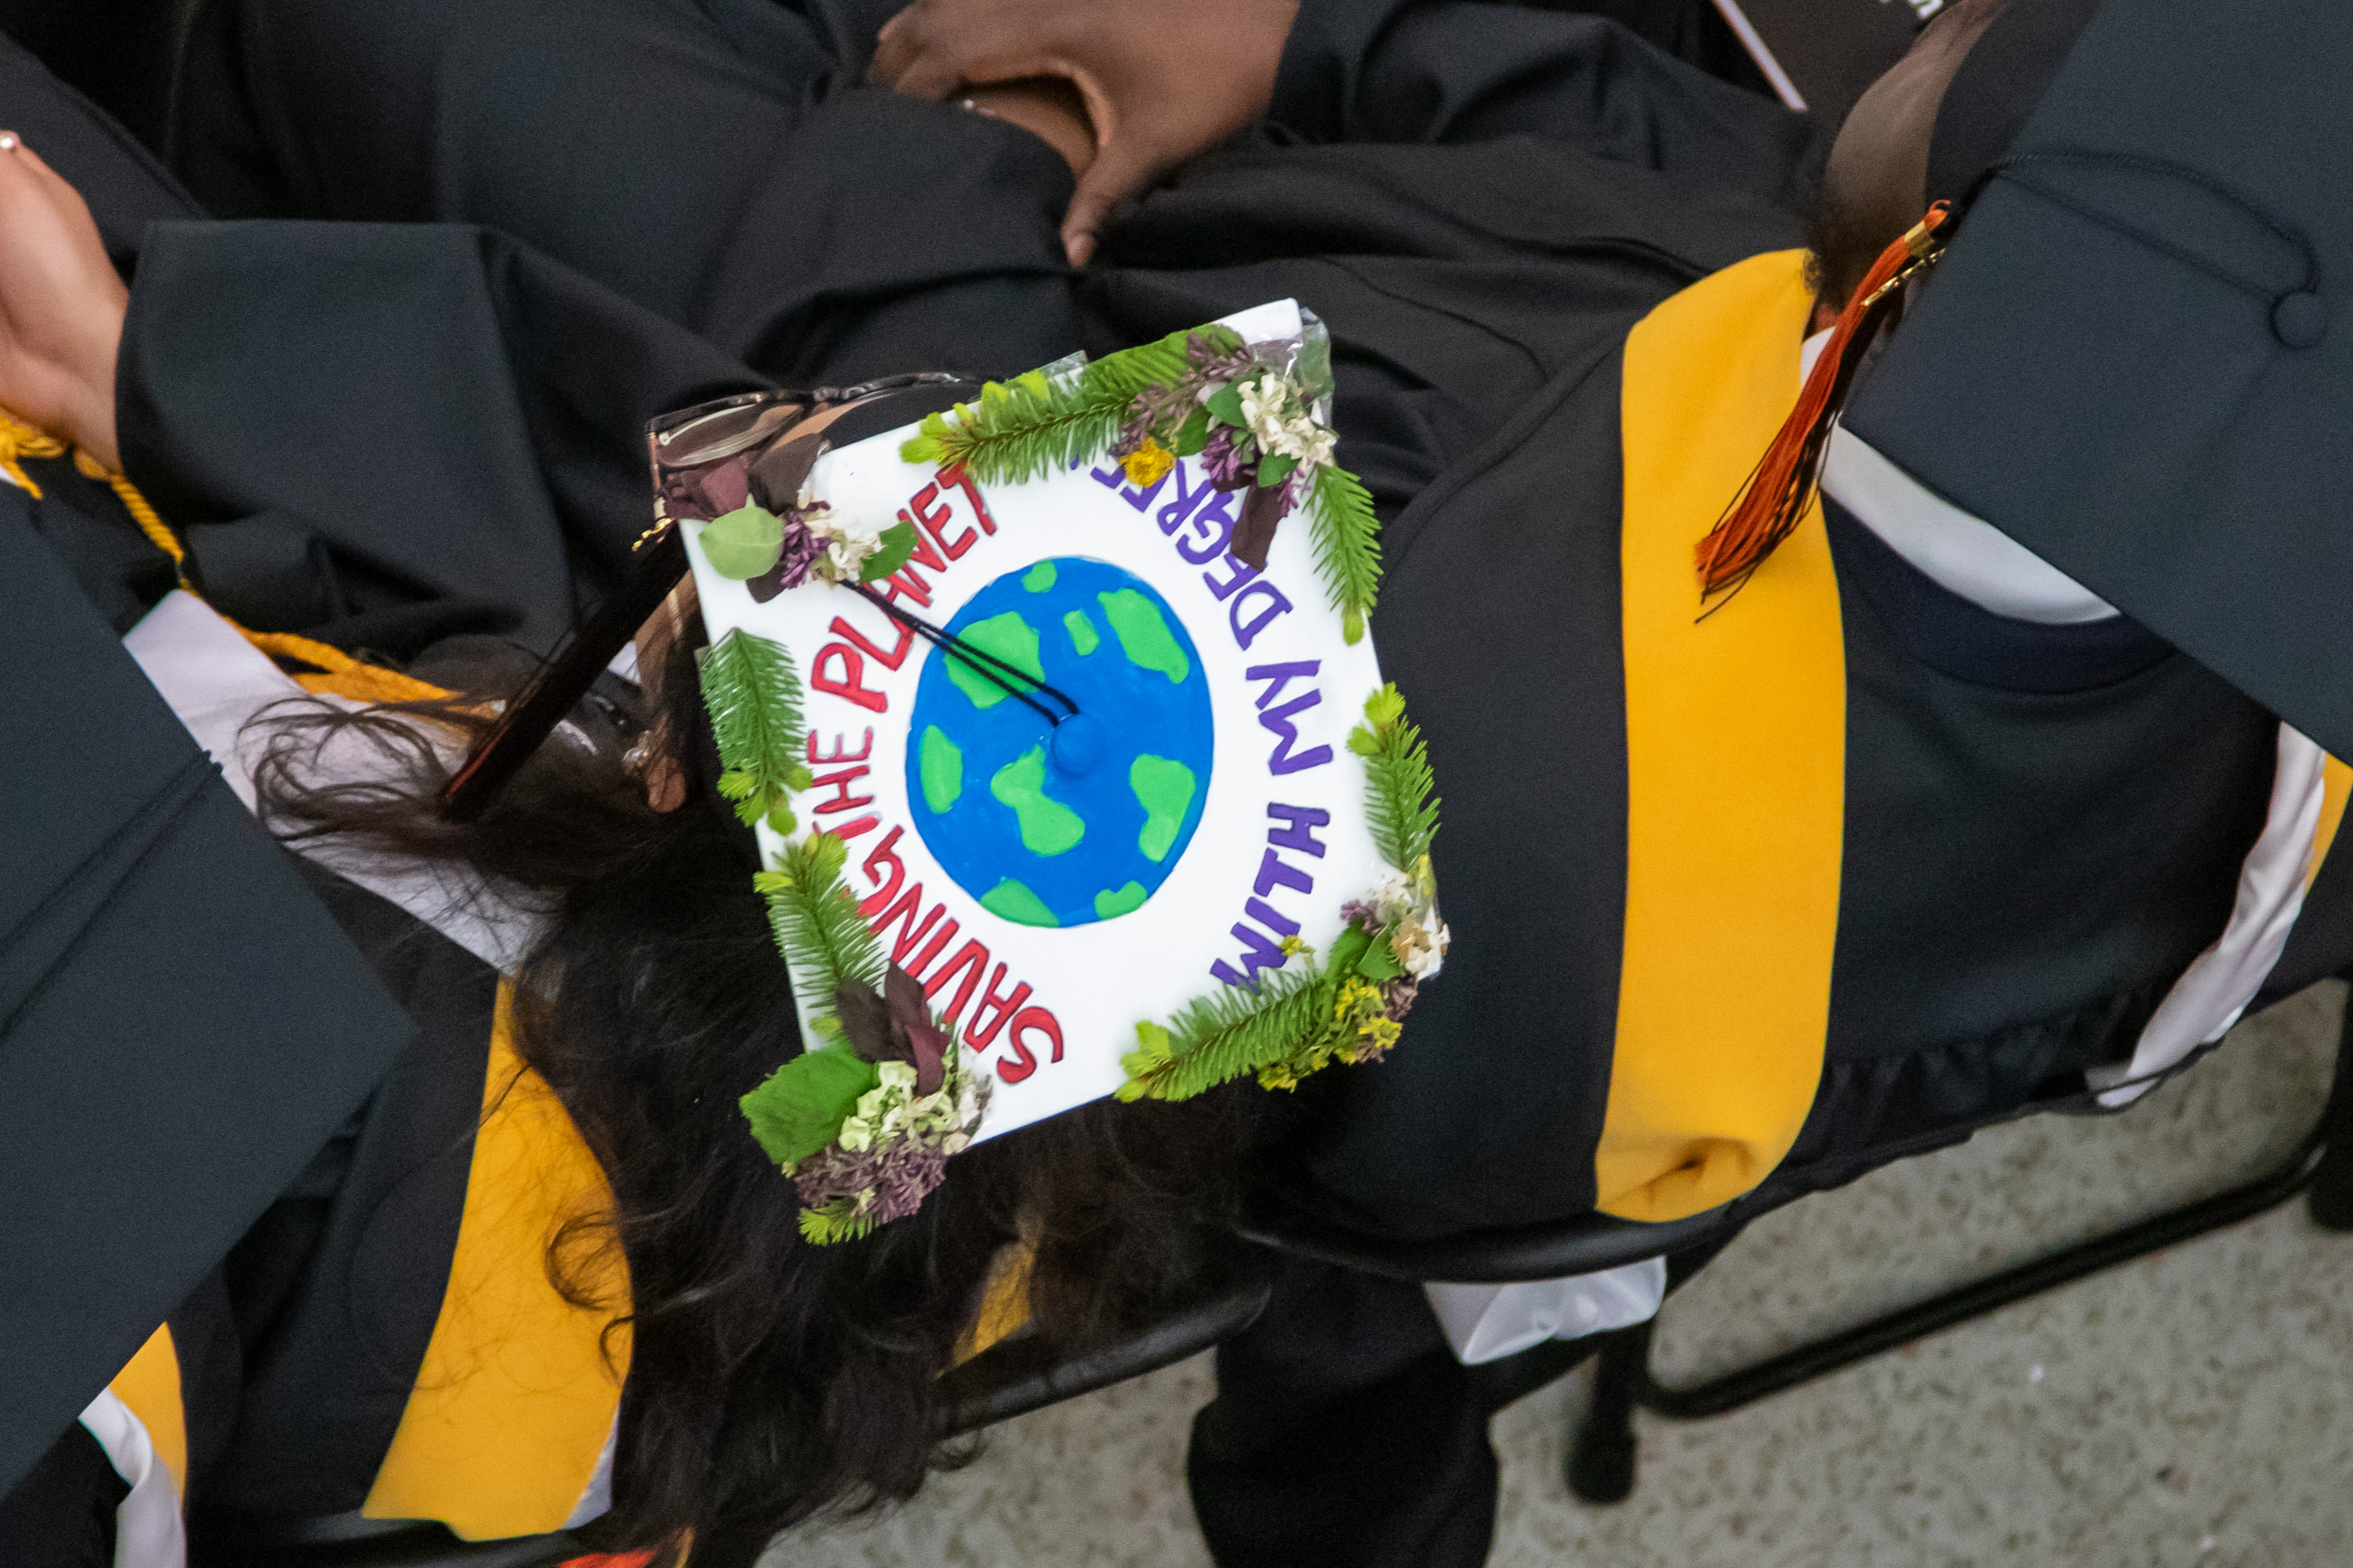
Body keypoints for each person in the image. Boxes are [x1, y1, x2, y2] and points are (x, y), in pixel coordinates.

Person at [7, 0, 2348, 1564]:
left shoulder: (1461, 739)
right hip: (1098, 497)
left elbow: (862, 545)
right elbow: (1651, 161)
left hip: (753, 623)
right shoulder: (2137, 535)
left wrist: (211, 373)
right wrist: (1314, 31)